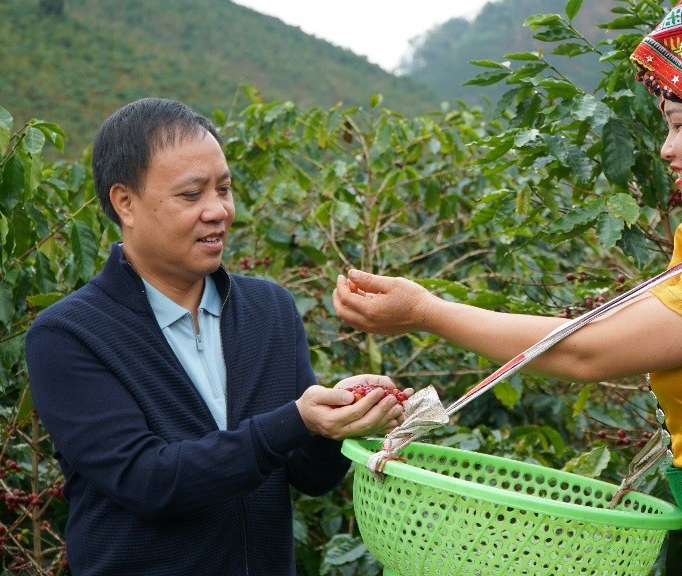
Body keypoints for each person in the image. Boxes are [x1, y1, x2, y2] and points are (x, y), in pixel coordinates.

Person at [333, 1, 682, 574]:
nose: (666, 149)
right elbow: (604, 335)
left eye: (679, 125)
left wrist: (426, 312)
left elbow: (587, 352)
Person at [25, 97, 409, 576]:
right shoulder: (69, 335)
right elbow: (147, 480)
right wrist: (294, 421)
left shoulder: (269, 310)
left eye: (224, 189)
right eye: (192, 195)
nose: (218, 211)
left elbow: (307, 476)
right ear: (125, 202)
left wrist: (339, 422)